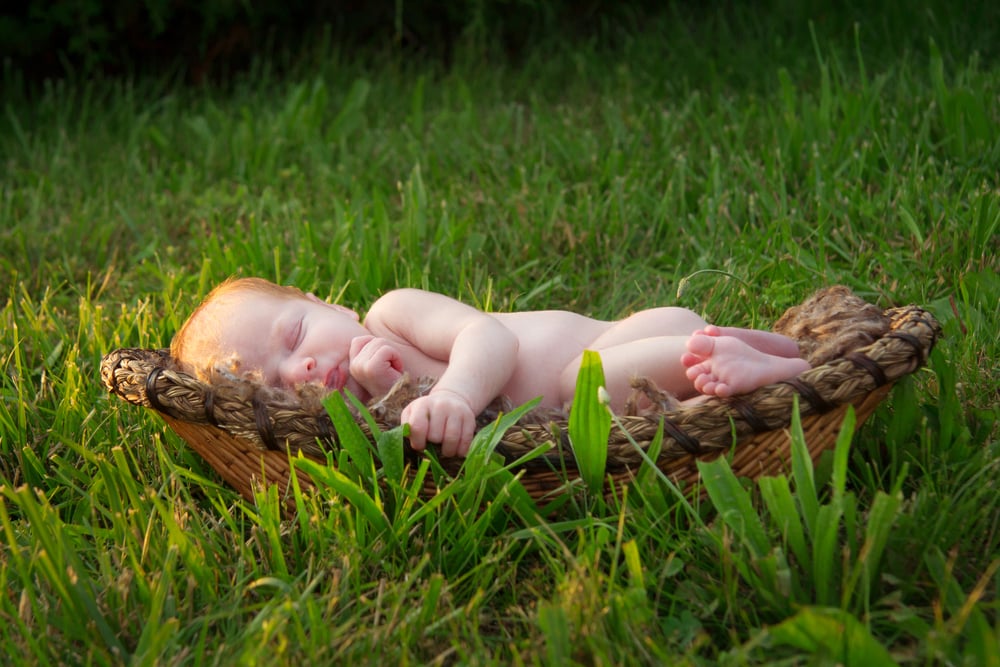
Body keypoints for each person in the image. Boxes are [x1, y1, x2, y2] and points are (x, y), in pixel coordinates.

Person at [171, 277, 811, 457]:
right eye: (277, 378)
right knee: (594, 410)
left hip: (631, 343)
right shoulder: (359, 416)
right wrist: (390, 391)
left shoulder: (391, 313)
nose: (302, 365)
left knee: (572, 388)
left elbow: (491, 340)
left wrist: (452, 393)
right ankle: (771, 356)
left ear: (325, 302)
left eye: (297, 334)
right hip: (639, 390)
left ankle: (726, 355)